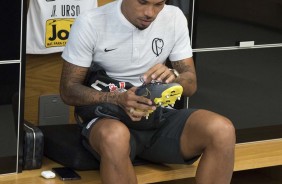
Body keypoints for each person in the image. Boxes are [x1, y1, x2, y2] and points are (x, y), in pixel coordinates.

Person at [59, 0, 236, 183]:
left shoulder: (174, 17)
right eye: (142, 2)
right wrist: (116, 98)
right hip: (109, 117)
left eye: (158, 4)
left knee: (222, 130)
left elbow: (191, 85)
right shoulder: (91, 21)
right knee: (115, 137)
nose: (150, 13)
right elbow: (68, 90)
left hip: (156, 115)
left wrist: (174, 76)